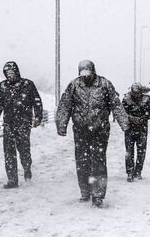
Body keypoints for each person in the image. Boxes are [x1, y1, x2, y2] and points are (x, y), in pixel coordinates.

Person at [55, 60, 129, 207]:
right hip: (80, 130)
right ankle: (85, 190)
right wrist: (61, 124)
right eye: (83, 74)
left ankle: (98, 194)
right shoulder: (74, 85)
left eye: (88, 74)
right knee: (82, 161)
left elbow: (116, 104)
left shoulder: (105, 84)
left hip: (99, 130)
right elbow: (65, 105)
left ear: (93, 71)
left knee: (98, 161)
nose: (86, 77)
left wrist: (124, 122)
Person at [0, 61, 43, 188]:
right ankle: (12, 180)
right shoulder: (2, 86)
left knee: (24, 150)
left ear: (17, 72)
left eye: (12, 72)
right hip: (8, 123)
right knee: (9, 152)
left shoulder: (28, 85)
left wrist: (38, 116)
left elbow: (37, 101)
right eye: (7, 73)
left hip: (23, 123)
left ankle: (27, 169)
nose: (10, 75)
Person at [122, 82, 150, 182]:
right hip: (129, 128)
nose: (136, 94)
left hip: (142, 128)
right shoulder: (126, 99)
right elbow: (122, 112)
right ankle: (130, 172)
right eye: (134, 92)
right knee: (129, 151)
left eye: (138, 92)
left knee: (141, 151)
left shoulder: (147, 99)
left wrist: (142, 119)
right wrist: (131, 118)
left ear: (141, 91)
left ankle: (138, 171)